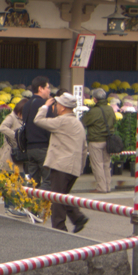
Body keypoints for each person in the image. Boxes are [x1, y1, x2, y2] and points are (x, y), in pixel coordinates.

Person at [34, 93, 89, 233]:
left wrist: (44, 107)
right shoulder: (78, 123)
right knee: (62, 194)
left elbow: (38, 120)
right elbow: (84, 148)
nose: (55, 106)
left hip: (61, 165)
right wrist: (80, 167)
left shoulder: (62, 121)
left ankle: (59, 229)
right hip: (73, 166)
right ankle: (77, 218)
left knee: (57, 198)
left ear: (63, 108)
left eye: (57, 104)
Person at [0, 99, 28, 218]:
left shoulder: (23, 119)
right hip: (10, 155)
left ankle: (13, 207)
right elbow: (2, 127)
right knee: (12, 181)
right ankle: (10, 207)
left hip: (18, 156)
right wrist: (16, 136)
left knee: (18, 181)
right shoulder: (12, 117)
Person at [22, 76, 53, 189]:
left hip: (30, 148)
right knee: (47, 181)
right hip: (43, 147)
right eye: (47, 88)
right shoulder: (45, 105)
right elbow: (50, 126)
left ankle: (31, 204)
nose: (49, 90)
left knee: (33, 182)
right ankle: (44, 204)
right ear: (41, 88)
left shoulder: (26, 104)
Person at [81, 87, 114, 193]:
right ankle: (107, 186)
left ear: (95, 99)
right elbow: (114, 121)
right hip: (108, 141)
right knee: (106, 164)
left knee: (97, 165)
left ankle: (101, 187)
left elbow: (83, 122)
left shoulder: (94, 111)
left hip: (96, 141)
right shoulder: (110, 109)